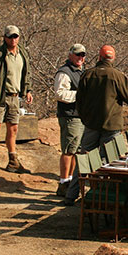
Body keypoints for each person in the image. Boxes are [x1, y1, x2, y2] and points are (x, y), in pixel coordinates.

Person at [62, 45, 128, 206]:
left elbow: (79, 100)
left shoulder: (87, 74)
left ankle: (71, 195)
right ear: (113, 59)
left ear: (99, 57)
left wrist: (85, 118)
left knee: (83, 160)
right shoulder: (118, 76)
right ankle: (107, 197)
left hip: (91, 125)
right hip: (112, 126)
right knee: (112, 162)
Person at [0, 25, 33, 177]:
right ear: (4, 37)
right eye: (10, 37)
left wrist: (28, 90)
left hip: (15, 97)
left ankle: (13, 161)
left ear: (19, 37)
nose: (13, 39)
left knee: (13, 129)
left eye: (15, 36)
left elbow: (26, 74)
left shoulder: (22, 54)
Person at [53, 44, 86, 197]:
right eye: (78, 54)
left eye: (82, 55)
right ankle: (63, 183)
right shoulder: (64, 72)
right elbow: (60, 94)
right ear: (70, 55)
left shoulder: (81, 72)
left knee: (75, 151)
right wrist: (80, 95)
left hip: (78, 116)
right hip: (70, 116)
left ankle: (70, 181)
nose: (80, 58)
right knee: (68, 150)